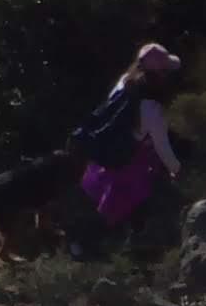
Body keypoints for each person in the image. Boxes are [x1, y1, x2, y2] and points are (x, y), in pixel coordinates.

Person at [73, 44, 184, 227]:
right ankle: (123, 230)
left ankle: (92, 226)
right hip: (124, 161)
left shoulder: (124, 82)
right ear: (161, 75)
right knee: (128, 198)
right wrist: (177, 170)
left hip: (102, 151)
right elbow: (162, 147)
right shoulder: (152, 108)